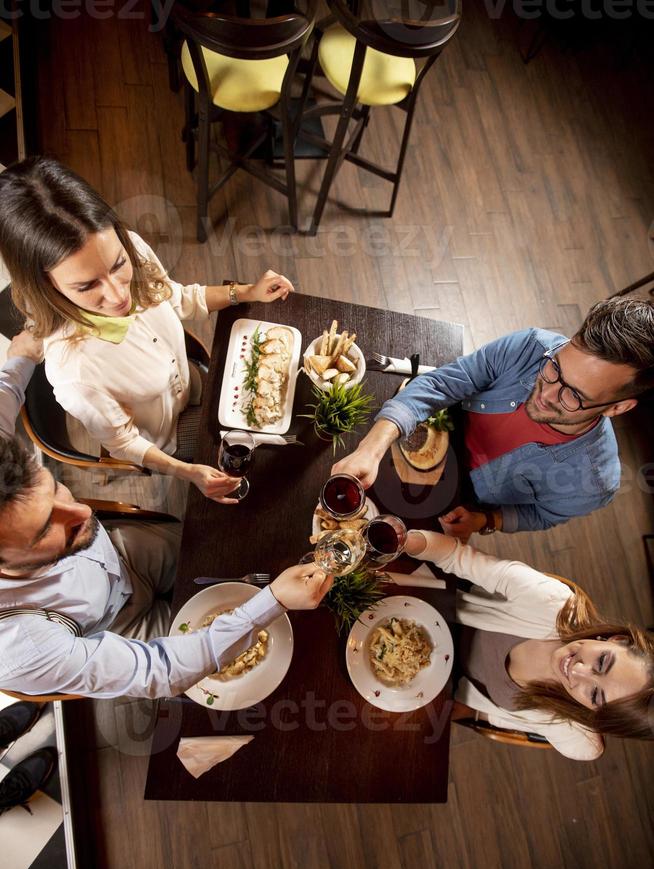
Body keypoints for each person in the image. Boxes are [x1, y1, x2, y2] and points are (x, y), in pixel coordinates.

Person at [0, 332, 332, 698]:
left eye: (55, 489)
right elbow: (159, 671)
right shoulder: (18, 647)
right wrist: (274, 602)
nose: (83, 509)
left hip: (121, 551)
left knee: (212, 549)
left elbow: (3, 401)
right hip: (117, 625)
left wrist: (18, 361)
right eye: (47, 525)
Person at [0, 156, 294, 504]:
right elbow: (123, 442)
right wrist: (188, 473)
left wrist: (244, 292)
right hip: (170, 435)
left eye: (118, 265)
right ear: (46, 286)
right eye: (87, 286)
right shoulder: (74, 370)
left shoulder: (132, 247)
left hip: (192, 381)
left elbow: (176, 298)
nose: (118, 294)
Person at [334, 298, 654, 538]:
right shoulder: (532, 346)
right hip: (439, 425)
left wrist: (487, 521)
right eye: (555, 367)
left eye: (574, 395)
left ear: (617, 408)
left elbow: (543, 515)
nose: (545, 393)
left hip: (466, 495)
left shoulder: (594, 483)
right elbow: (441, 383)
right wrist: (370, 449)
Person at [404, 528, 654, 759]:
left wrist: (473, 714)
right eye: (602, 662)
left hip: (424, 680)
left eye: (596, 694)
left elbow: (589, 751)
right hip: (427, 609)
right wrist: (403, 540)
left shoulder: (561, 716)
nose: (578, 670)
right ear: (617, 640)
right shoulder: (551, 602)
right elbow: (456, 556)